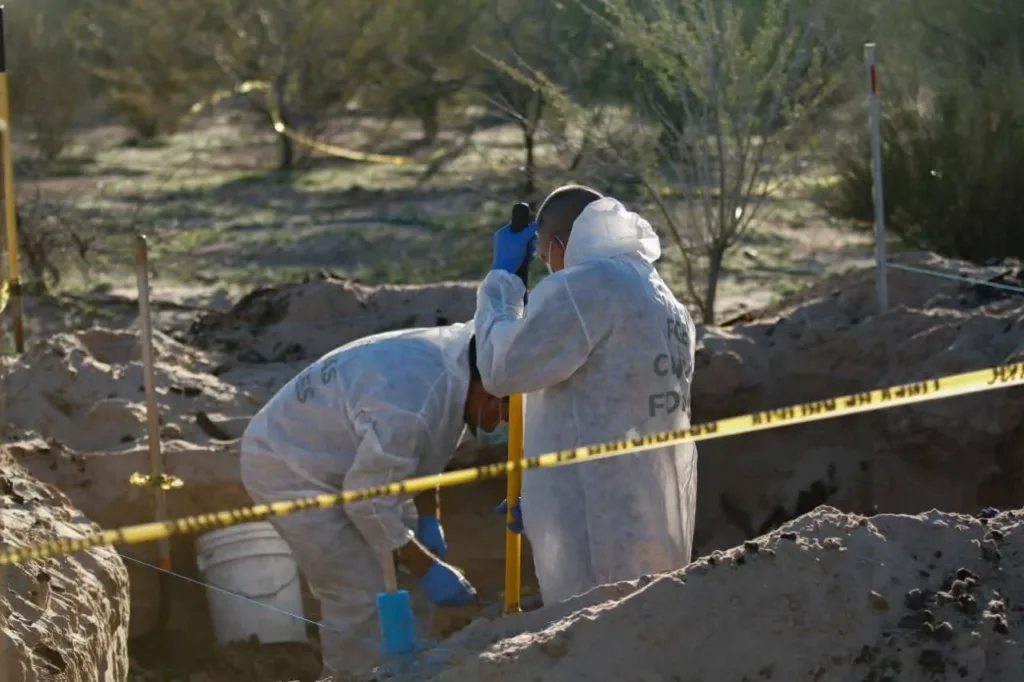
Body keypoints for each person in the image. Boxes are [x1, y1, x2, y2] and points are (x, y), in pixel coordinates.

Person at [240, 323, 508, 681]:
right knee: (359, 591)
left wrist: (429, 519)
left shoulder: (461, 366)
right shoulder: (411, 404)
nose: (503, 422)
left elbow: (425, 454)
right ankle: (350, 674)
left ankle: (406, 667)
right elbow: (366, 503)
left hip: (352, 461)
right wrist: (428, 567)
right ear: (488, 392)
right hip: (289, 466)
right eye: (505, 411)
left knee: (406, 575)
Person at [476, 185, 698, 606]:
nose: (550, 270)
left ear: (558, 245)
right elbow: (605, 400)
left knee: (599, 634)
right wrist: (545, 487)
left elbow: (502, 369)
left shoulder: (586, 286)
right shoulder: (662, 299)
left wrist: (502, 282)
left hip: (597, 516)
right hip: (650, 506)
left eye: (545, 259)